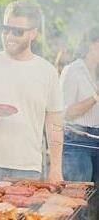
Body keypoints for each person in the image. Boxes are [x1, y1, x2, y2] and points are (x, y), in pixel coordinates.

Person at [0, 1, 63, 192]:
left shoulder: (47, 71)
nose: (9, 36)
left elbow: (55, 122)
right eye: (5, 29)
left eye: (17, 31)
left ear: (33, 33)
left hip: (26, 167)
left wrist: (56, 167)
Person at [60, 26, 99, 220]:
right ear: (94, 45)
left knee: (96, 203)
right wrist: (95, 96)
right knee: (77, 204)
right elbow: (65, 113)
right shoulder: (72, 70)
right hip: (77, 143)